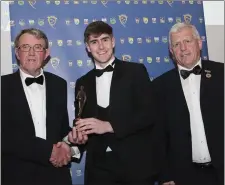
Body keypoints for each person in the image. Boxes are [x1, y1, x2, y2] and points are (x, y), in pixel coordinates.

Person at [69, 21, 156, 185]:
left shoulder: (135, 71)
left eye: (105, 40)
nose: (101, 46)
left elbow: (149, 114)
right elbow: (83, 123)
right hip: (99, 172)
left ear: (113, 41)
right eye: (94, 42)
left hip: (135, 168)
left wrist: (110, 126)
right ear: (88, 47)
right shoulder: (83, 83)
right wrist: (78, 138)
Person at [1, 28, 82, 185]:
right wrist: (48, 151)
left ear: (46, 54)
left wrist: (70, 144)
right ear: (17, 53)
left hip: (56, 175)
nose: (31, 53)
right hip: (17, 176)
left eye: (37, 47)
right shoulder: (2, 86)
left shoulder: (59, 84)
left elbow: (61, 129)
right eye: (25, 47)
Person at [152, 22, 224, 185]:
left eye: (187, 41)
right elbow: (158, 136)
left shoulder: (222, 74)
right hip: (183, 176)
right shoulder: (159, 86)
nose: (183, 48)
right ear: (171, 51)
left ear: (199, 43)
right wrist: (165, 176)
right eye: (177, 44)